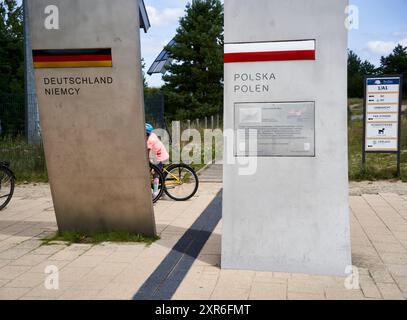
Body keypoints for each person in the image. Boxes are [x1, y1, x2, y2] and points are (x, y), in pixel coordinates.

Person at [146, 123, 169, 197]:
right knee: (160, 175)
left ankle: (155, 193)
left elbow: (147, 153)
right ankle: (163, 192)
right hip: (163, 155)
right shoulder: (152, 134)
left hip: (160, 158)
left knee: (156, 174)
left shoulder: (150, 140)